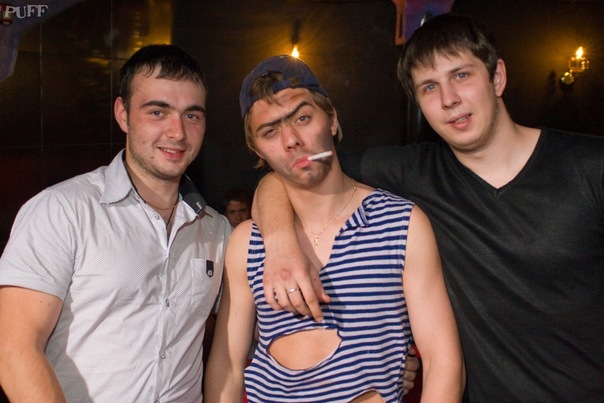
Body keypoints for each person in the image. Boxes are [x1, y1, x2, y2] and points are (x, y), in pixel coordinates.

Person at [253, 13, 604, 402]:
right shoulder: (414, 173)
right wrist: (280, 242)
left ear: (497, 77)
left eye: (461, 75)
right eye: (429, 87)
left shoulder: (590, 166)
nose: (448, 99)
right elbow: (293, 170)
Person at [204, 54, 464, 402]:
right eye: (270, 132)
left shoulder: (400, 224)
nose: (291, 139)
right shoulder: (247, 242)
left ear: (331, 119)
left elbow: (441, 360)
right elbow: (228, 365)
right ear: (257, 150)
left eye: (302, 118)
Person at [0, 44, 231, 402]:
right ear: (123, 114)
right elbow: (13, 350)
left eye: (191, 115)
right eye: (158, 112)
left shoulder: (217, 230)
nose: (177, 132)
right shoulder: (63, 210)